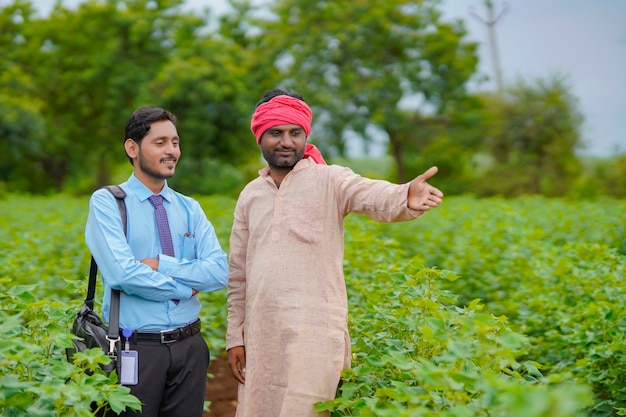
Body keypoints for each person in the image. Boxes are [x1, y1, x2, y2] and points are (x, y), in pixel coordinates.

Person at [226, 88, 444, 417]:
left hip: (314, 333)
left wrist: (404, 195)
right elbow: (238, 273)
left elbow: (369, 193)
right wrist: (234, 336)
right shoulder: (250, 195)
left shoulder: (330, 180)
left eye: (294, 133)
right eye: (276, 133)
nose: (286, 141)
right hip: (262, 335)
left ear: (305, 135)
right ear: (260, 136)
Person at [85, 106, 228, 417]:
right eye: (160, 142)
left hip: (190, 346)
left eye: (175, 142)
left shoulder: (190, 207)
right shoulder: (108, 202)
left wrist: (162, 264)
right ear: (132, 148)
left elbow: (219, 271)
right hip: (134, 349)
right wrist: (183, 288)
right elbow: (123, 274)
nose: (171, 151)